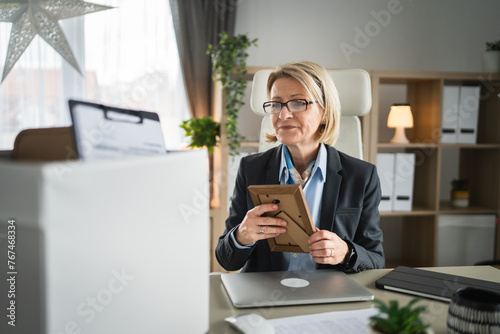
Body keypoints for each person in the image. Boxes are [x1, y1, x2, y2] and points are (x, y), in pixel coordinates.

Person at [215, 61, 384, 273]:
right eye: (276, 104)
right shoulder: (251, 168)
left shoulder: (362, 176)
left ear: (324, 112)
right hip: (266, 297)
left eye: (298, 103)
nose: (283, 115)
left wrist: (346, 252)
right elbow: (226, 260)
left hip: (327, 296)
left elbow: (376, 261)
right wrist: (241, 235)